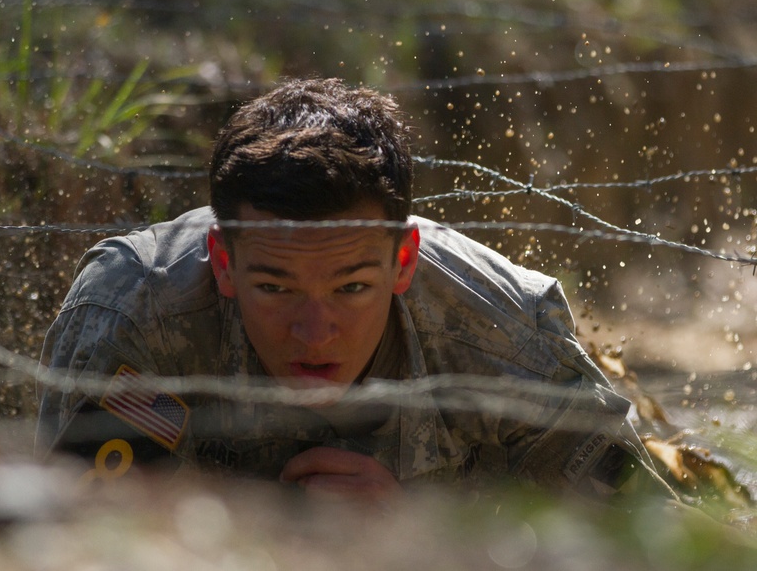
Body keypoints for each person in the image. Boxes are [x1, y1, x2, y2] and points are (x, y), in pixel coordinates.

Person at [36, 77, 669, 502]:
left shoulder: (503, 340)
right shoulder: (137, 320)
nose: (315, 332)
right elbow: (65, 545)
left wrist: (416, 546)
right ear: (223, 264)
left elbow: (652, 545)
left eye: (352, 286)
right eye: (276, 288)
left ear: (404, 262)